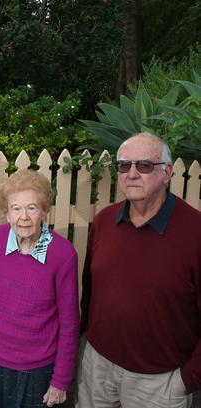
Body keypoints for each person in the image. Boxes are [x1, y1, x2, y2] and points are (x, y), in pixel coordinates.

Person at [77, 132, 201, 408]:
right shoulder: (104, 221)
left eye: (144, 165)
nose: (131, 173)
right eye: (124, 165)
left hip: (160, 382)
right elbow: (91, 289)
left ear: (167, 172)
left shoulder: (195, 233)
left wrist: (188, 379)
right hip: (97, 367)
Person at [0, 169, 79, 408]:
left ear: (43, 210)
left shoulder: (62, 254)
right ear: (7, 212)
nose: (23, 217)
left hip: (39, 369)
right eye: (16, 208)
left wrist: (61, 381)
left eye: (32, 208)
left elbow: (70, 322)